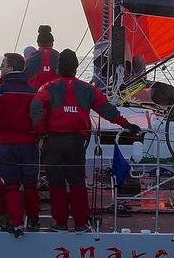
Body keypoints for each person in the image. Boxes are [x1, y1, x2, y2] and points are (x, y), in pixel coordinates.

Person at [30, 48, 141, 232]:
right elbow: (107, 110)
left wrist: (39, 131)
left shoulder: (47, 88)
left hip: (53, 142)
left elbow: (35, 105)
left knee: (56, 184)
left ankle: (60, 223)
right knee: (77, 183)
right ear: (76, 67)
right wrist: (127, 124)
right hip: (76, 143)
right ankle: (81, 223)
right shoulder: (88, 90)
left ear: (58, 67)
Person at [0, 52, 40, 238]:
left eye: (3, 65)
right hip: (29, 144)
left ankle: (16, 224)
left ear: (11, 68)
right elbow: (40, 116)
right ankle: (34, 220)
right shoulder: (33, 92)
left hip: (5, 145)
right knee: (30, 184)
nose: (0, 68)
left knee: (11, 185)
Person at [24, 25, 60, 90]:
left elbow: (26, 77)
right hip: (55, 95)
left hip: (36, 95)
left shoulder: (30, 58)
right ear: (52, 43)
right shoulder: (59, 57)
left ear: (38, 43)